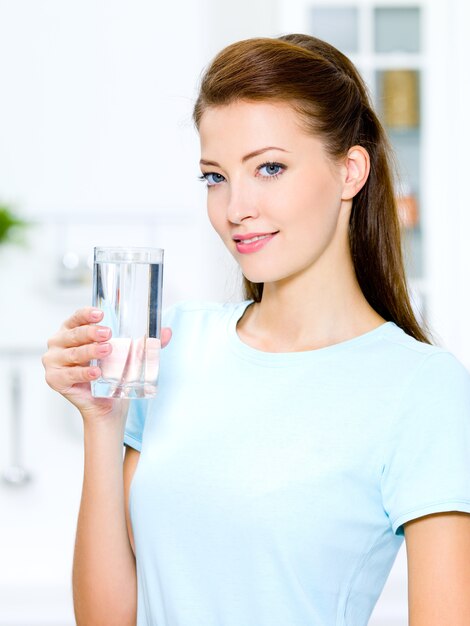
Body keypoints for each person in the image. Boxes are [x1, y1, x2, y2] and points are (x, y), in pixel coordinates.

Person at [42, 34, 470, 626]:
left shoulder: (420, 387)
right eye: (214, 177)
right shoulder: (174, 345)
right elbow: (107, 618)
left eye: (270, 168)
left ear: (350, 171)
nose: (235, 207)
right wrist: (102, 422)